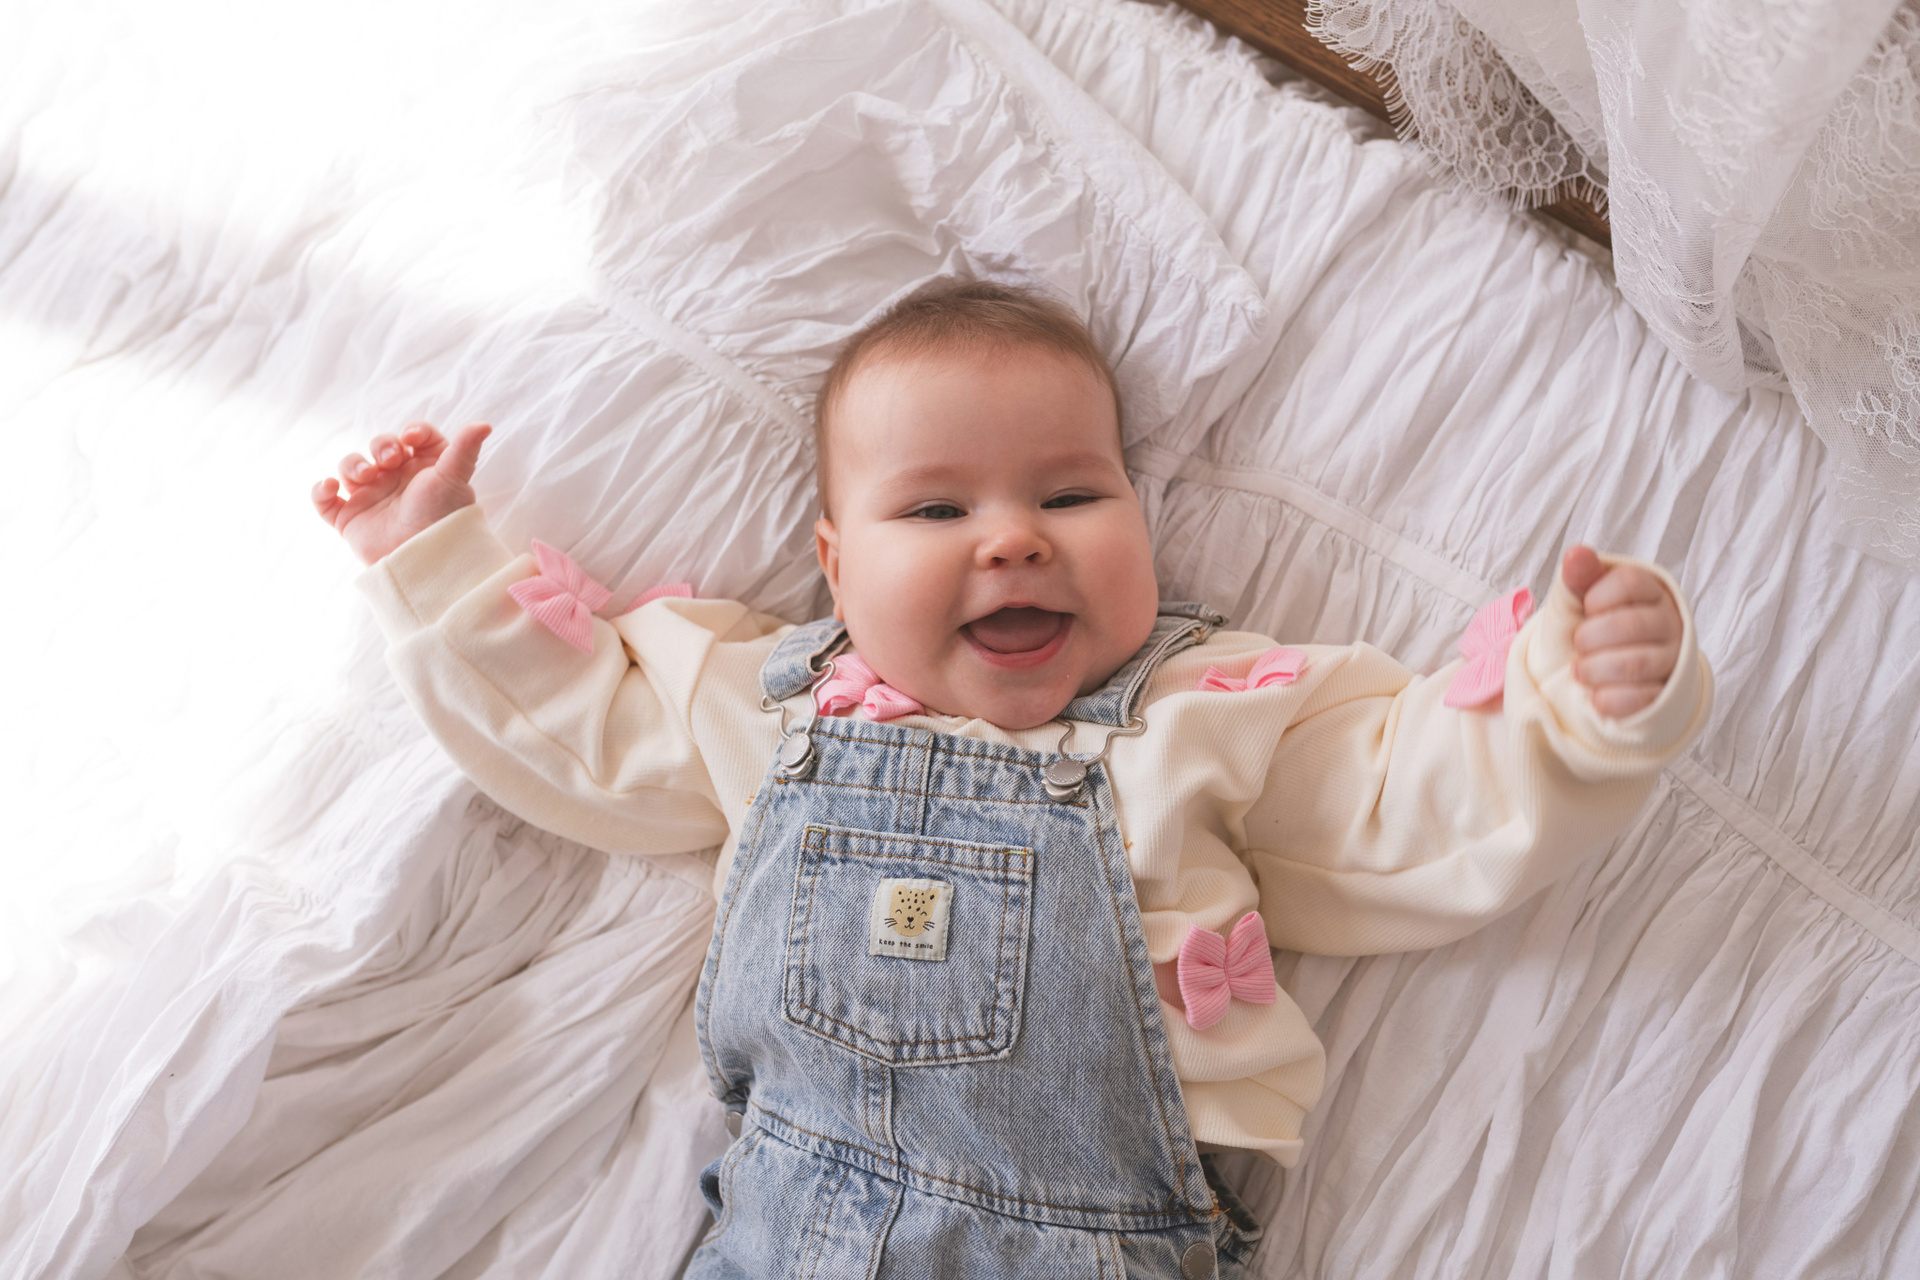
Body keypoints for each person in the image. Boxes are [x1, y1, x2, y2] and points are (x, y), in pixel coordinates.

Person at [312, 280, 1711, 1278]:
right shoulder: (771, 701)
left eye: (1070, 495)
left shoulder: (1208, 712)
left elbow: (1407, 803)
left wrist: (1568, 700)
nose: (1013, 539)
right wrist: (434, 564)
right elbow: (584, 735)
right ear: (836, 566)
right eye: (936, 508)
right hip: (785, 1231)